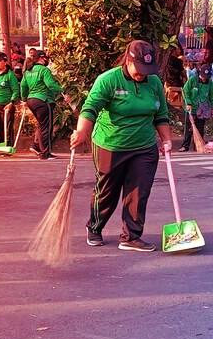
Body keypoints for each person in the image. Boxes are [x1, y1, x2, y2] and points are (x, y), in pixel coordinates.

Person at [71, 40, 173, 252]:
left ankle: (131, 236)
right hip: (111, 144)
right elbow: (90, 108)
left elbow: (161, 115)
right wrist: (82, 131)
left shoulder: (153, 83)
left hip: (144, 146)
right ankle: (95, 227)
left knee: (139, 191)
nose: (142, 74)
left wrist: (166, 140)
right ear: (128, 60)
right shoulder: (108, 80)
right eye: (139, 69)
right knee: (107, 190)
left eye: (147, 70)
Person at [21, 49, 64, 160]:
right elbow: (50, 85)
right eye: (45, 58)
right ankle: (45, 153)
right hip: (43, 100)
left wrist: (24, 99)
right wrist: (62, 90)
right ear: (41, 58)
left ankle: (36, 146)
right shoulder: (44, 70)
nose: (47, 60)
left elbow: (23, 86)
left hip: (31, 100)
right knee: (47, 127)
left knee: (41, 125)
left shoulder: (28, 71)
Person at [180, 62, 213, 152]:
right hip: (191, 108)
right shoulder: (193, 80)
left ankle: (197, 145)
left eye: (206, 77)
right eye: (203, 77)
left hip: (203, 109)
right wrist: (188, 103)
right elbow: (185, 91)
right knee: (189, 128)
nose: (204, 79)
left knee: (200, 127)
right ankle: (185, 146)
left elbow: (212, 97)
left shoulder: (210, 84)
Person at [0, 51, 20, 144]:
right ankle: (0, 144)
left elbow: (16, 90)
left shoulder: (10, 75)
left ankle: (8, 144)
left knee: (8, 126)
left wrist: (11, 103)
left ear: (5, 62)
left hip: (6, 106)